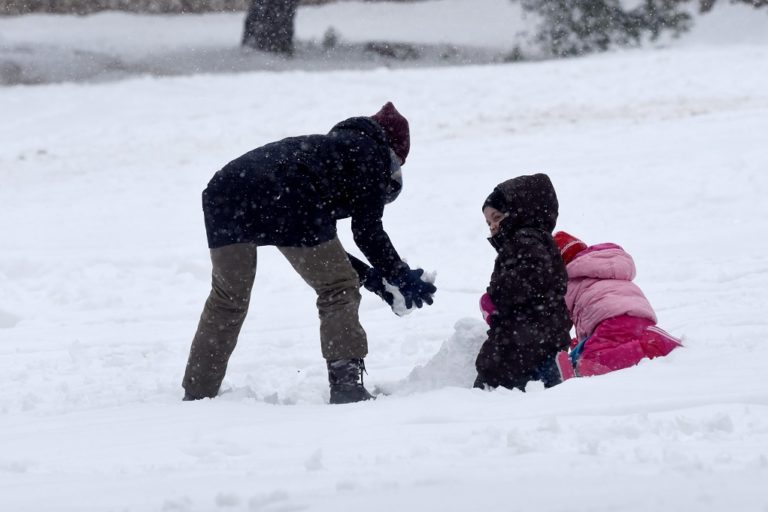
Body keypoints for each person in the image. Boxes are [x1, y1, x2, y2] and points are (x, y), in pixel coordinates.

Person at [183, 102, 437, 404]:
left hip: (225, 192)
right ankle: (346, 386)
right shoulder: (370, 153)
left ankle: (199, 391)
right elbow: (366, 231)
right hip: (287, 196)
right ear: (393, 151)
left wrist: (376, 280)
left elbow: (323, 250)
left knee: (228, 299)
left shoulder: (327, 154)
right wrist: (400, 274)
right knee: (337, 289)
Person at [474, 173, 573, 391]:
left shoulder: (524, 240)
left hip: (525, 336)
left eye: (497, 218)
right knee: (535, 374)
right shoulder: (535, 241)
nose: (492, 226)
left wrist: (494, 298)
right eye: (489, 222)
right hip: (541, 333)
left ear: (520, 212)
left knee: (495, 374)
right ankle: (553, 375)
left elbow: (525, 279)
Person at [553, 231, 682, 377]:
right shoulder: (601, 266)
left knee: (595, 359)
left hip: (610, 319)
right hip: (636, 315)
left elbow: (561, 315)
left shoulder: (569, 279)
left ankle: (650, 346)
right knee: (595, 348)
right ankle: (647, 339)